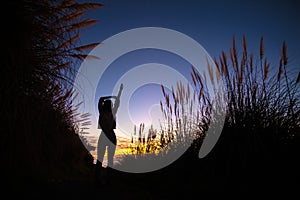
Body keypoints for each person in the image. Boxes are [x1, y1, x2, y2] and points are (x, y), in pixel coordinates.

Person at [95, 83, 123, 185]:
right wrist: (115, 95)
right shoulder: (108, 112)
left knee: (101, 158)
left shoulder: (104, 112)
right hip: (110, 135)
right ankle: (106, 180)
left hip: (106, 135)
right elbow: (104, 99)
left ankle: (101, 179)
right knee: (106, 159)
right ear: (110, 105)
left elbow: (101, 99)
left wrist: (116, 94)